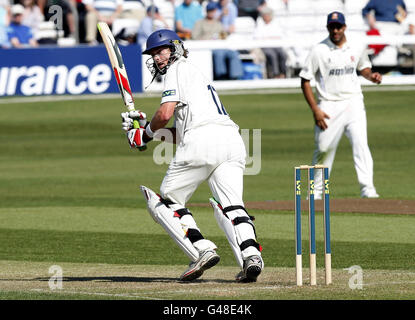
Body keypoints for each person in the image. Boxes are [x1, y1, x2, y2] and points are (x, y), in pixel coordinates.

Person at [121, 29, 263, 282]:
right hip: (231, 140)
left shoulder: (176, 69)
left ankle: (201, 249)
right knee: (233, 205)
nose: (157, 58)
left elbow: (165, 114)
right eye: (153, 54)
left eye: (161, 51)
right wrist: (146, 131)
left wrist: (145, 133)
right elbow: (181, 130)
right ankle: (251, 255)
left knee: (167, 199)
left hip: (202, 141)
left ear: (175, 48)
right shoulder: (195, 73)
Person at [299, 12, 382, 199]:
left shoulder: (357, 45)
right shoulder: (319, 50)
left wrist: (371, 76)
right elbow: (305, 80)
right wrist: (316, 110)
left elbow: (363, 67)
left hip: (354, 102)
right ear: (328, 28)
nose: (335, 30)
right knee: (323, 149)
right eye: (332, 27)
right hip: (328, 105)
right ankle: (316, 192)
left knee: (361, 145)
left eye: (339, 27)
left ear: (344, 27)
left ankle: (367, 189)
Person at [192, 1, 243, 80]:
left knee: (233, 53)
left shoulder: (218, 23)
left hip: (219, 45)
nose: (212, 13)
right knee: (219, 54)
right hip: (206, 47)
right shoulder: (200, 23)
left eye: (213, 11)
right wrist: (206, 39)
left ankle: (236, 76)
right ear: (207, 11)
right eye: (210, 11)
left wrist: (227, 33)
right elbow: (194, 37)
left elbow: (223, 35)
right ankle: (221, 76)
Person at [253, 6, 287, 78]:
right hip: (265, 46)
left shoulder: (276, 23)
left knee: (282, 54)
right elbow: (256, 37)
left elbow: (280, 35)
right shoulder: (259, 23)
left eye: (267, 15)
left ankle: (283, 73)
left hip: (276, 45)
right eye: (264, 15)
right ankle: (275, 74)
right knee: (272, 55)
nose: (266, 17)